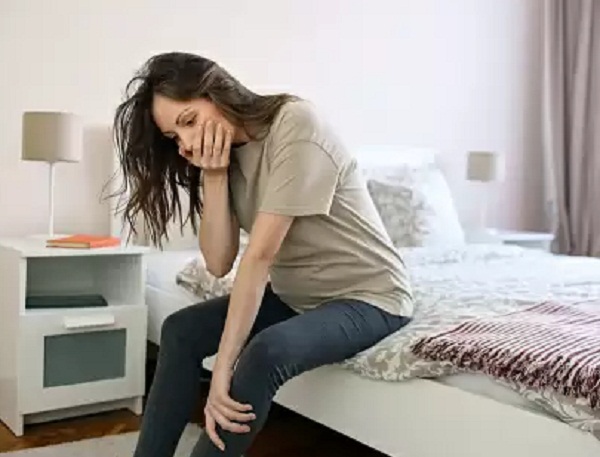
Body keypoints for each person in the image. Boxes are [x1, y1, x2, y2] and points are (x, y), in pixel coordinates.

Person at [113, 51, 414, 457]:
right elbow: (219, 263)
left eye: (189, 121)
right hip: (297, 298)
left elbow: (258, 258)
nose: (187, 143)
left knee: (265, 352)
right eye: (174, 137)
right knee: (180, 331)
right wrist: (214, 175)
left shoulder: (296, 124)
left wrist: (222, 370)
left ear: (217, 93)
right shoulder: (225, 156)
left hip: (369, 297)